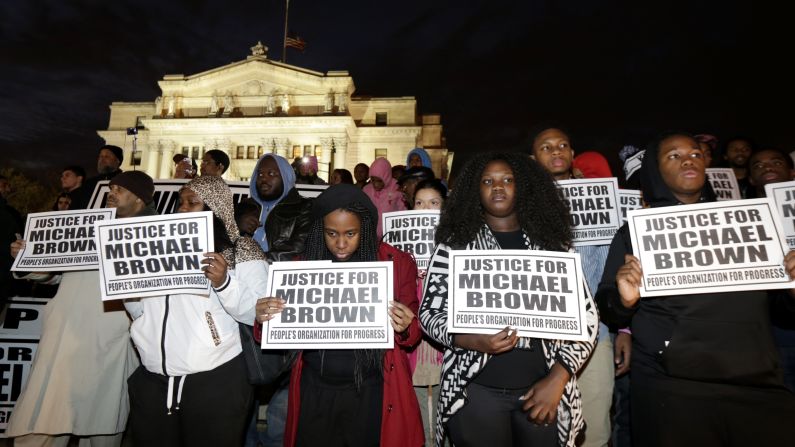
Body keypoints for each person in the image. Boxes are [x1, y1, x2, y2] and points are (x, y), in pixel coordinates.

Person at [595, 132, 795, 446]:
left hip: (757, 382)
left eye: (695, 154)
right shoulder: (635, 232)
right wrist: (624, 301)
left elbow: (781, 312)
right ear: (655, 170)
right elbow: (607, 305)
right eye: (673, 155)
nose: (689, 159)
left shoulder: (751, 222)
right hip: (673, 389)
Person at [420, 152, 598, 447]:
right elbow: (429, 313)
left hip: (542, 392)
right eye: (487, 181)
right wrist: (472, 340)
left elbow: (587, 319)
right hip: (474, 394)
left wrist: (558, 378)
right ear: (474, 190)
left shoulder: (552, 248)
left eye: (507, 180)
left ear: (523, 187)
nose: (498, 187)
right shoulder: (454, 247)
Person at [256, 184, 424, 447]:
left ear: (366, 229)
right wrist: (265, 316)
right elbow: (273, 330)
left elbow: (413, 329)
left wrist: (406, 325)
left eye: (351, 233)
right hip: (315, 390)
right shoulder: (301, 266)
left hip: (371, 391)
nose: (341, 243)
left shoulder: (395, 262)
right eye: (331, 233)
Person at [7, 171, 155, 447]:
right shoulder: (87, 228)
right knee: (43, 418)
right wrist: (29, 259)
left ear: (138, 199)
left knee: (100, 423)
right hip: (64, 338)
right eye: (111, 187)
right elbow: (55, 275)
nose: (111, 192)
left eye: (120, 189)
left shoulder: (152, 237)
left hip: (110, 342)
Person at [124, 175, 267, 446]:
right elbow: (140, 311)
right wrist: (129, 294)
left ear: (215, 208)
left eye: (193, 203)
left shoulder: (241, 250)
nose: (182, 208)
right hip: (153, 378)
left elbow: (257, 313)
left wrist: (224, 283)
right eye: (181, 202)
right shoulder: (159, 249)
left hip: (215, 378)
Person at [531, 125, 615, 447]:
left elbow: (613, 264)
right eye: (546, 146)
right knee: (543, 428)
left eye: (563, 144)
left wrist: (622, 332)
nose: (556, 151)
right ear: (532, 158)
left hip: (595, 335)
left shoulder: (600, 201)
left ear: (572, 153)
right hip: (538, 337)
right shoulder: (518, 205)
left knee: (593, 431)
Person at [247, 153, 313, 446]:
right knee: (243, 395)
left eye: (272, 174)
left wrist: (251, 256)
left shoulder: (304, 209)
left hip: (282, 309)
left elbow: (298, 248)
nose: (265, 179)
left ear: (287, 178)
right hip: (242, 313)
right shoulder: (241, 211)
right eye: (261, 174)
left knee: (281, 398)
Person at [746, 147, 795, 391]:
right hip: (774, 333)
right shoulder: (739, 221)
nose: (767, 167)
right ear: (751, 179)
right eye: (758, 165)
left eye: (776, 162)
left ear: (792, 172)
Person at [407, 177, 446, 443]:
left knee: (445, 413)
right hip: (413, 345)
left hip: (444, 345)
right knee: (418, 416)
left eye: (434, 203)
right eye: (419, 203)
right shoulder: (399, 246)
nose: (426, 209)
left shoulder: (459, 243)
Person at [363, 157, 406, 238]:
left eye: (379, 181)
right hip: (370, 237)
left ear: (386, 177)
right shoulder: (367, 190)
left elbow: (403, 213)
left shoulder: (397, 188)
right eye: (373, 180)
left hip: (392, 237)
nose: (375, 184)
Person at [72, 145, 124, 210]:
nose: (102, 159)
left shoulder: (124, 182)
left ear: (118, 160)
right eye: (100, 156)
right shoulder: (89, 183)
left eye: (107, 156)